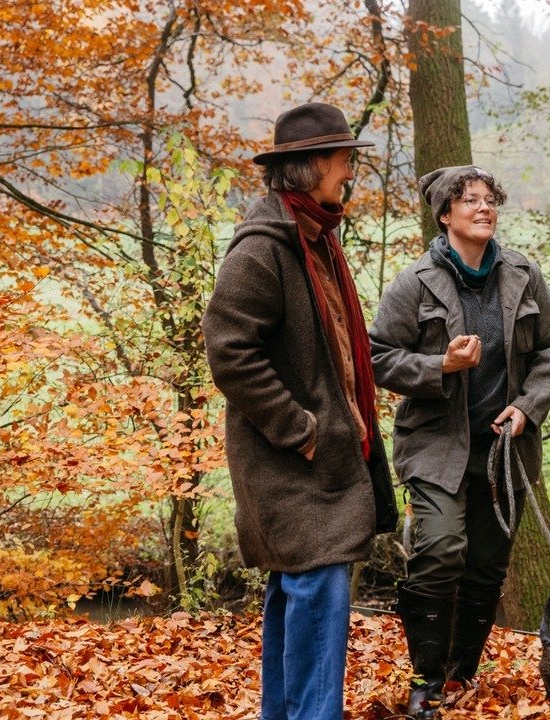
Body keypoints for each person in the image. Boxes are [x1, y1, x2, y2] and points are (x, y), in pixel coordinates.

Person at [202, 102, 397, 720]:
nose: (350, 173)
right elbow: (229, 352)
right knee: (317, 588)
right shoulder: (263, 250)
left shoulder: (315, 238)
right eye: (342, 160)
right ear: (311, 166)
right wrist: (303, 431)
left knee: (300, 593)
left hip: (319, 459)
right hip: (290, 463)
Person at [369, 165, 550, 720]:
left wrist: (528, 406)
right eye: (470, 200)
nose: (484, 209)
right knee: (439, 551)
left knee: (486, 566)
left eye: (489, 200)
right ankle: (425, 681)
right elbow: (379, 356)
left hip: (505, 451)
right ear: (444, 215)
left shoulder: (523, 274)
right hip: (436, 446)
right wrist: (441, 365)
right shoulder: (415, 282)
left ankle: (460, 673)